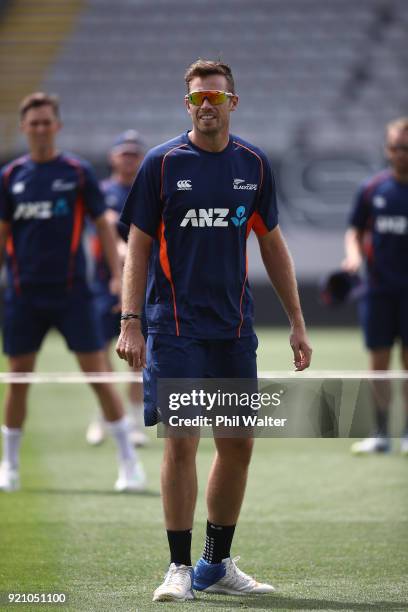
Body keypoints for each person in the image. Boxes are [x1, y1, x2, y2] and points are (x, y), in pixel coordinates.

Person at [116, 59, 312, 602]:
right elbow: (137, 246)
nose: (207, 105)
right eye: (197, 97)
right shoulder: (160, 164)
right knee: (182, 443)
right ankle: (178, 569)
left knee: (238, 446)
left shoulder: (253, 164)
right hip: (175, 330)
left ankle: (214, 564)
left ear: (233, 103)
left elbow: (271, 243)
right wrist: (130, 322)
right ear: (187, 105)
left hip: (233, 332)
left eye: (216, 97)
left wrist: (297, 322)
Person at [0, 92, 146, 492]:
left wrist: (118, 279)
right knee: (18, 380)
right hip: (23, 296)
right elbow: (3, 235)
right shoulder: (11, 177)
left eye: (48, 121)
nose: (42, 128)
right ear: (24, 128)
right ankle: (8, 466)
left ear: (57, 126)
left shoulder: (77, 172)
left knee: (99, 376)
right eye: (35, 122)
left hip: (73, 294)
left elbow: (103, 227)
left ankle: (129, 464)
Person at [343, 116, 408, 455]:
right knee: (379, 363)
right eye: (396, 148)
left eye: (406, 149)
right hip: (379, 289)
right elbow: (354, 230)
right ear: (387, 150)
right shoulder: (372, 189)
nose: (401, 154)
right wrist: (353, 256)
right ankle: (381, 432)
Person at [86, 130, 148, 448]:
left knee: (139, 354)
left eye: (135, 153)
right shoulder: (102, 190)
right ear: (113, 157)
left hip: (140, 284)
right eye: (124, 152)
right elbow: (104, 225)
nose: (129, 158)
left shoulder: (147, 190)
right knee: (99, 353)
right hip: (103, 283)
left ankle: (135, 422)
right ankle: (105, 415)